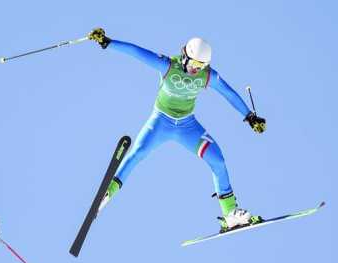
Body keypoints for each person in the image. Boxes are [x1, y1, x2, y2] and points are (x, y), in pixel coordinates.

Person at [88, 28, 267, 232]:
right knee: (137, 154)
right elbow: (138, 52)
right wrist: (108, 42)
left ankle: (230, 214)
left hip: (187, 126)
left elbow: (229, 93)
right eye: (194, 64)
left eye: (201, 66)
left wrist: (249, 116)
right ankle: (106, 195)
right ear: (185, 56)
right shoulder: (168, 66)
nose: (195, 69)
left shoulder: (207, 76)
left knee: (218, 160)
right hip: (160, 122)